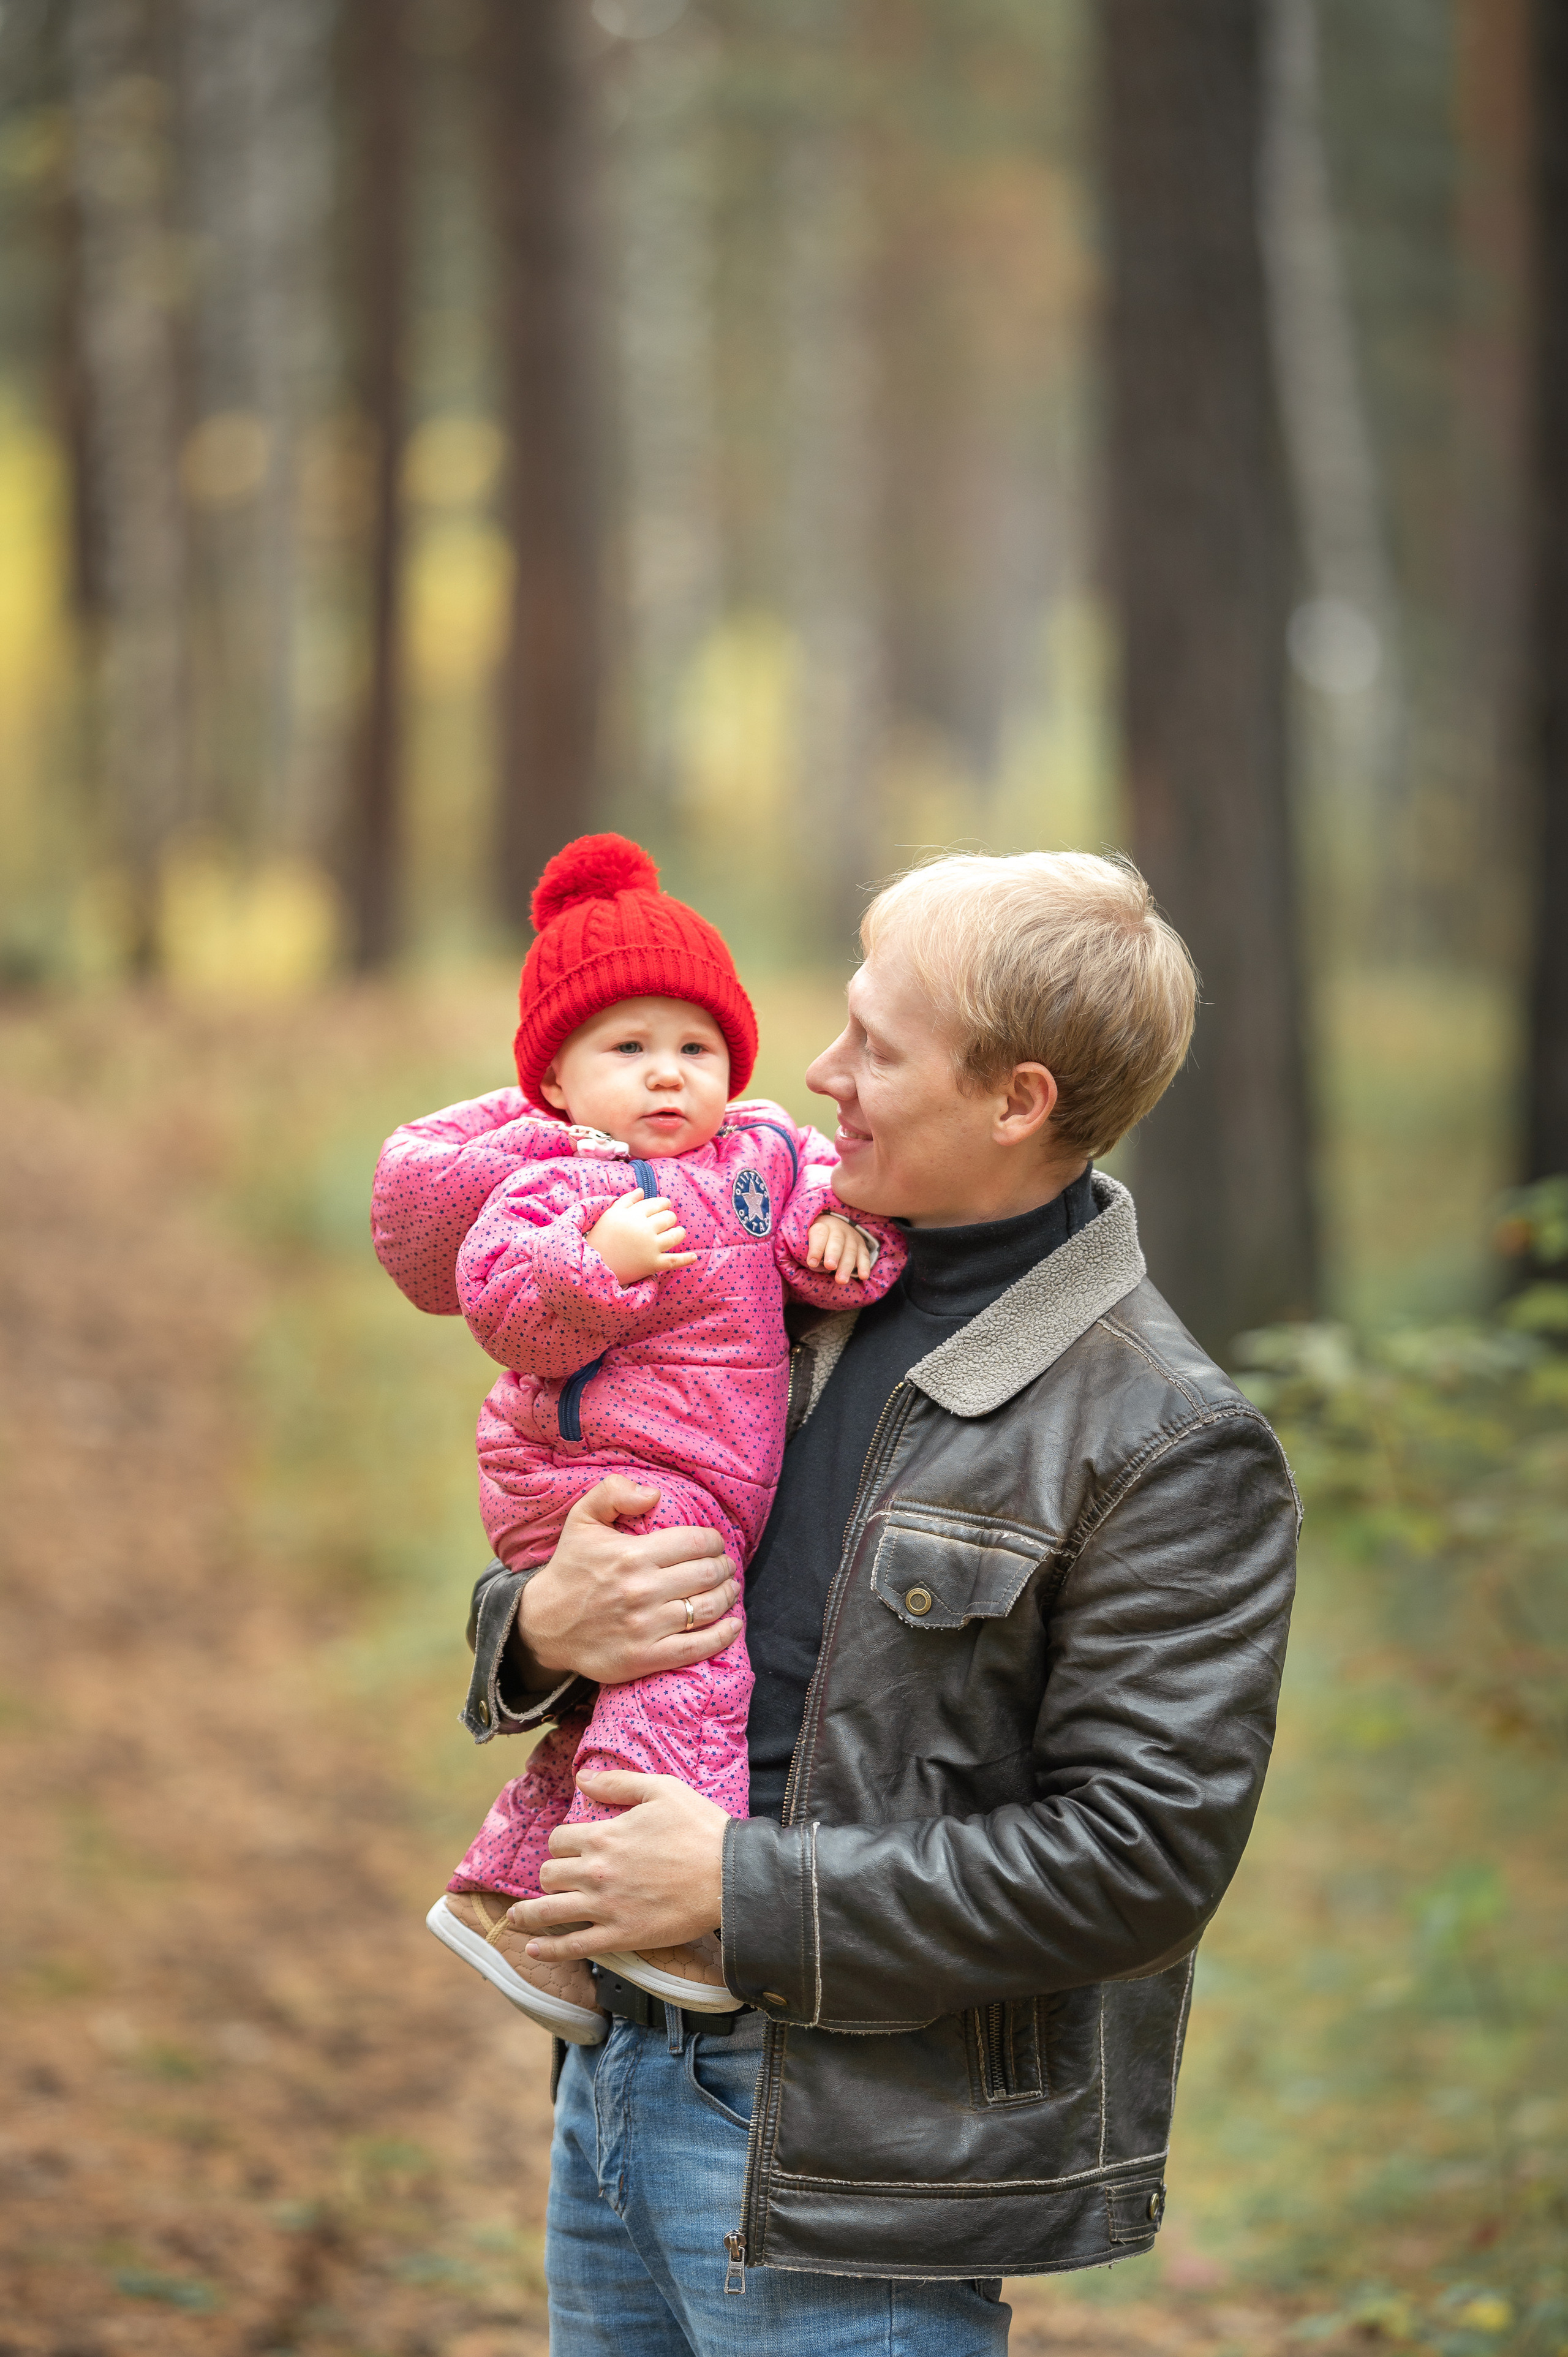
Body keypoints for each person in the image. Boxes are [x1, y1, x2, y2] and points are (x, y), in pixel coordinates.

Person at [462, 848, 1300, 2356]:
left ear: (1014, 1100)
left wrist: (737, 1890)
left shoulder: (1161, 1435)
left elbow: (1141, 1856)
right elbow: (591, 1529)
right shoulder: (761, 1267)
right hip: (611, 2079)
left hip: (853, 2175)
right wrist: (533, 1627)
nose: (818, 1069)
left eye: (876, 1046)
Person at [372, 835, 903, 2043]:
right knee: (692, 1649)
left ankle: (513, 1903)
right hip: (586, 1471)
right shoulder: (557, 1184)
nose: (667, 1076)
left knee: (622, 1688)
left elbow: (821, 1205)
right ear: (555, 1083)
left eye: (694, 1047)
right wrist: (593, 1270)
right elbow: (505, 1305)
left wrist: (839, 1241)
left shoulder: (757, 1156)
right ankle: (650, 1907)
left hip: (697, 1469)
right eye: (628, 1049)